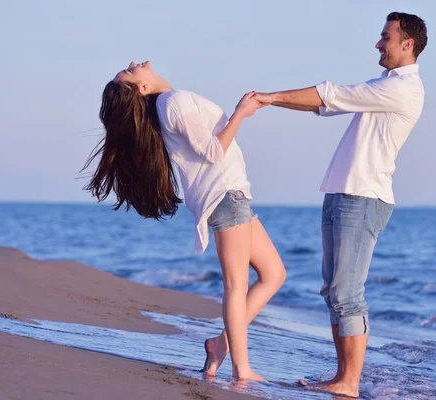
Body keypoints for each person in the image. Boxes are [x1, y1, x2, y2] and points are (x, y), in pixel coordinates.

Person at [253, 12, 427, 397]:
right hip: (342, 192)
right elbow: (326, 105)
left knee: (348, 293)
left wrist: (271, 97)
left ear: (407, 44)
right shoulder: (384, 84)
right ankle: (341, 376)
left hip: (363, 197)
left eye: (385, 37)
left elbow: (332, 94)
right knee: (334, 291)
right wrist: (276, 102)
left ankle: (349, 383)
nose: (378, 43)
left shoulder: (403, 88)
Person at [83, 61, 286, 382]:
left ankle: (220, 345)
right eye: (130, 72)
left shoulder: (168, 103)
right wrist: (241, 113)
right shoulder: (173, 103)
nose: (133, 64)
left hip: (234, 193)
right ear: (143, 88)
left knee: (274, 274)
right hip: (223, 196)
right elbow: (213, 152)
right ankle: (241, 369)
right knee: (236, 285)